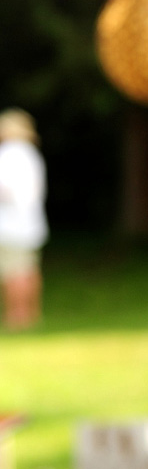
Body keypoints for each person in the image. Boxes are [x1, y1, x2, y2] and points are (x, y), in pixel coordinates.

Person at [0, 109, 47, 330]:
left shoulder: (9, 154)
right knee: (28, 270)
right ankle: (31, 315)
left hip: (11, 225)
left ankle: (15, 317)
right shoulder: (31, 154)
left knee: (13, 272)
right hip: (31, 224)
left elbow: (5, 189)